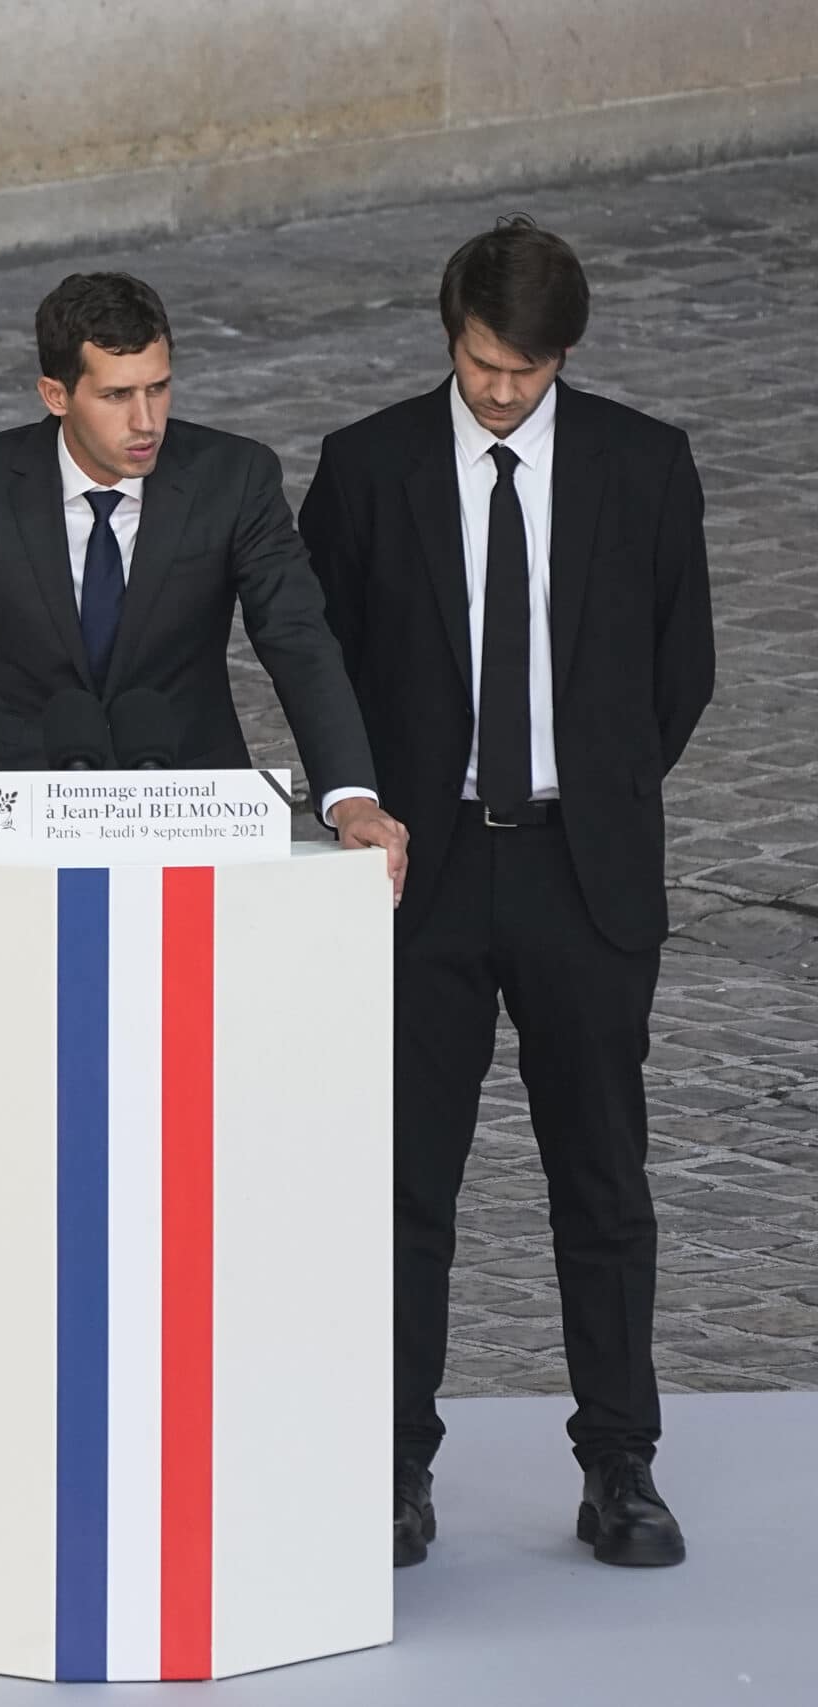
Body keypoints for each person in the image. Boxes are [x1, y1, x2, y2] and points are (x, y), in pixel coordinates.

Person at [300, 217, 715, 1570]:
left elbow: (679, 669)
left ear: (565, 356)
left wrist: (588, 787)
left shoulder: (645, 467)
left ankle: (622, 1467)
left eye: (528, 371)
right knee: (406, 1179)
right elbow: (325, 665)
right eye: (484, 362)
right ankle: (390, 1464)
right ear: (451, 333)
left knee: (601, 1178)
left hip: (582, 875)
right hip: (421, 874)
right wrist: (367, 801)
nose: (501, 390)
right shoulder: (365, 469)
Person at [0, 272, 406, 889]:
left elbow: (298, 636)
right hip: (14, 813)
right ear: (55, 394)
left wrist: (351, 797)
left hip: (187, 808)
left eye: (159, 388)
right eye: (118, 396)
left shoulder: (235, 478)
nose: (146, 421)